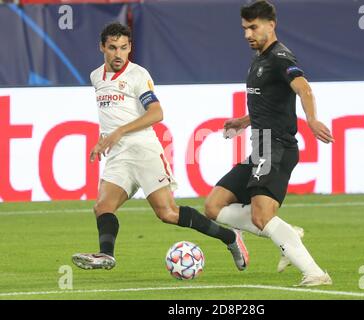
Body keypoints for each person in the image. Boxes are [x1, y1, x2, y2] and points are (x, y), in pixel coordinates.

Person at [72, 22, 248, 271]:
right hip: (119, 155)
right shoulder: (95, 76)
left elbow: (156, 113)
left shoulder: (138, 75)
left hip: (144, 151)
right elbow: (111, 115)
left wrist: (119, 132)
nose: (119, 54)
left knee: (167, 213)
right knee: (102, 207)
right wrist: (104, 139)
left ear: (130, 47)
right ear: (102, 47)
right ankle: (106, 255)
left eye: (124, 48)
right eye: (112, 48)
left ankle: (230, 238)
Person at [204, 0, 334, 286]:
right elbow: (270, 104)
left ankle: (315, 273)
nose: (247, 34)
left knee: (263, 216)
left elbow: (303, 87)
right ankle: (285, 232)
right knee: (213, 206)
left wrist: (312, 119)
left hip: (276, 147)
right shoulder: (260, 59)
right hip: (260, 145)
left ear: (271, 25)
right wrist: (243, 120)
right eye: (244, 28)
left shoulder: (280, 57)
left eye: (253, 27)